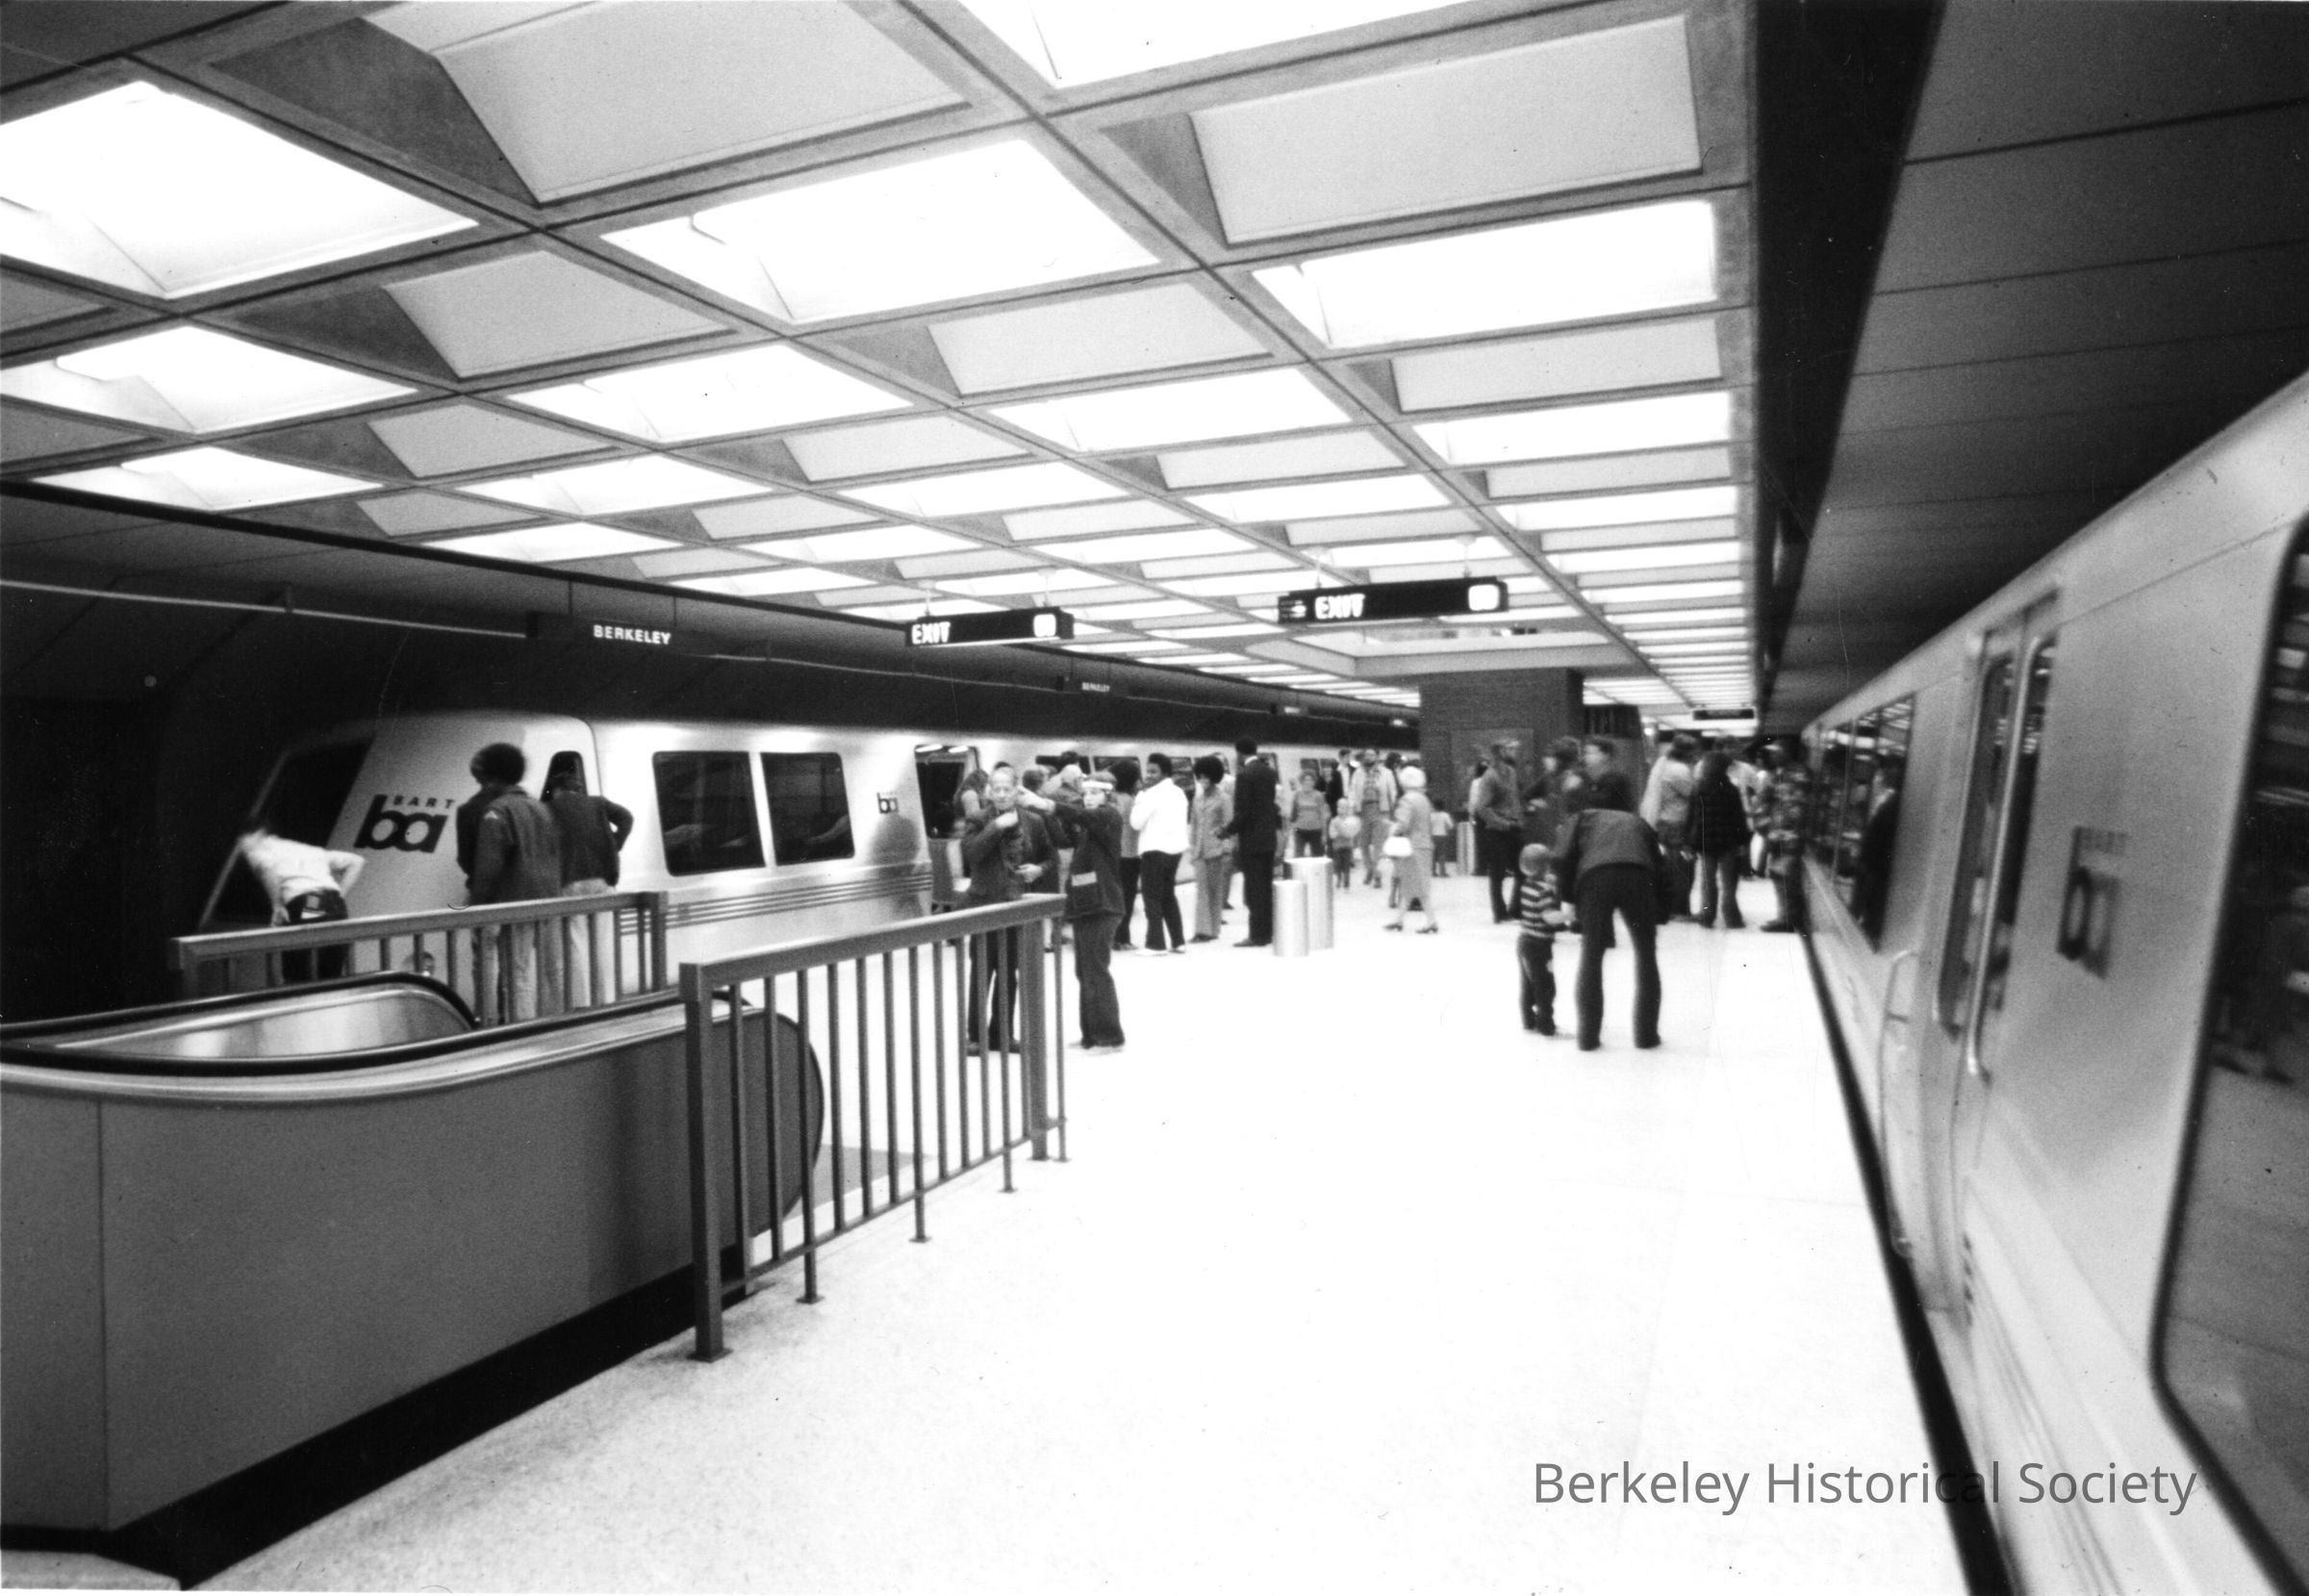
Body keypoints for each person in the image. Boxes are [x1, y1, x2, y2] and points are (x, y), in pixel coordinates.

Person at [1554, 776, 1663, 1051]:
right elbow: (1660, 866)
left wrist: (1568, 898)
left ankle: (1588, 1038)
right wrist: (1660, 911)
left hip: (1595, 879)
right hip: (1638, 877)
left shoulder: (1581, 818)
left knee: (1591, 955)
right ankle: (1646, 1036)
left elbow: (1562, 859)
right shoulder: (1638, 822)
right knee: (1646, 955)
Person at [1020, 773, 1126, 1052]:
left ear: (1108, 795)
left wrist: (1047, 804)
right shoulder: (1089, 827)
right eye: (1086, 793)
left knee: (1095, 971)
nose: (1088, 797)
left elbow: (1081, 815)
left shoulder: (1109, 816)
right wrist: (1044, 813)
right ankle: (1091, 1035)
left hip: (1103, 905)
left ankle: (1110, 1037)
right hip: (1086, 905)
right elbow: (1063, 838)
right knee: (1084, 970)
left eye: (1095, 792)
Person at [461, 742, 566, 1022]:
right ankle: (560, 1022)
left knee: (516, 974)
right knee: (552, 969)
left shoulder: (497, 811)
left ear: (492, 777)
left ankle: (520, 1030)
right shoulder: (541, 808)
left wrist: (478, 906)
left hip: (515, 901)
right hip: (550, 899)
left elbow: (488, 867)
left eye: (482, 779)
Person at [959, 768, 1047, 1047]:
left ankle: (1002, 1034)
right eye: (995, 789)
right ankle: (975, 1035)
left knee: (1009, 972)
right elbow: (971, 855)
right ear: (988, 791)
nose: (1000, 794)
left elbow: (1050, 857)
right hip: (984, 905)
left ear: (1016, 791)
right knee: (982, 971)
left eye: (1006, 789)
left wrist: (1039, 869)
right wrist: (996, 827)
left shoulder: (1033, 821)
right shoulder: (978, 819)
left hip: (1016, 905)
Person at [542, 754, 634, 1006]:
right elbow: (627, 818)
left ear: (557, 790)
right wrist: (615, 844)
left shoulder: (550, 809)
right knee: (602, 943)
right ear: (578, 789)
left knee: (576, 943)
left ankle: (582, 1002)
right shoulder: (598, 803)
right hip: (602, 880)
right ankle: (606, 999)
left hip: (571, 881)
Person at [237, 823, 365, 982]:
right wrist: (340, 894)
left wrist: (277, 905)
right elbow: (357, 861)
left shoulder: (258, 850)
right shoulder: (304, 849)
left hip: (311, 901)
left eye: (241, 841)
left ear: (256, 835)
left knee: (299, 965)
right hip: (335, 905)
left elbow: (268, 870)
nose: (241, 847)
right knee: (330, 969)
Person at [1223, 736, 1279, 948]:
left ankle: (1256, 936)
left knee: (1254, 890)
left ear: (1239, 753)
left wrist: (1227, 831)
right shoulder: (1269, 772)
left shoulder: (1244, 775)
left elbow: (1243, 811)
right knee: (1265, 887)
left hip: (1252, 840)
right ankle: (1269, 932)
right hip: (1268, 838)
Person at [1687, 749, 1752, 929]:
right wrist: (1743, 841)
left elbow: (1691, 817)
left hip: (1705, 841)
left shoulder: (1698, 788)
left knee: (1707, 881)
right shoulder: (1731, 789)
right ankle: (1732, 918)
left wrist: (1689, 842)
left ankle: (1707, 916)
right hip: (1728, 842)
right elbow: (1738, 818)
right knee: (1729, 882)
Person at [1132, 752, 1189, 955]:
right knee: (1168, 896)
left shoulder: (1150, 795)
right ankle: (1178, 941)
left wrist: (1139, 799)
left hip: (1155, 851)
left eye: (1153, 771)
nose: (1148, 775)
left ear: (1165, 773)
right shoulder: (1179, 792)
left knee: (1152, 898)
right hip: (1175, 852)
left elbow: (1135, 822)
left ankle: (1155, 944)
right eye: (1147, 771)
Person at [1639, 734, 1699, 922]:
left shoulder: (1663, 764)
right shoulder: (1678, 770)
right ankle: (1679, 910)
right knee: (1682, 868)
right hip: (1677, 824)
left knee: (1671, 867)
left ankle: (1672, 907)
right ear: (1688, 752)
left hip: (1664, 823)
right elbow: (1694, 794)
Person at [1759, 737, 1814, 932]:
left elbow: (1795, 809)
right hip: (1778, 835)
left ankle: (1789, 920)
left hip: (1790, 837)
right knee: (1778, 875)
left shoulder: (1799, 775)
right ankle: (1784, 916)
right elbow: (1767, 799)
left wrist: (1773, 830)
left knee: (1786, 878)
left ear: (1788, 753)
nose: (1773, 755)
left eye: (1777, 752)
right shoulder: (1778, 774)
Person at [1382, 765, 1440, 934]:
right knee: (1412, 884)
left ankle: (1431, 921)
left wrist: (1392, 828)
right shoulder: (1424, 799)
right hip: (1425, 844)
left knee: (1417, 886)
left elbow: (1403, 824)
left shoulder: (1407, 800)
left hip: (1412, 847)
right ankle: (1399, 920)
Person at [1515, 843, 1565, 1035]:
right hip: (1540, 946)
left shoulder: (1526, 884)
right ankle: (1546, 1025)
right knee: (1545, 986)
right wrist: (1568, 915)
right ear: (1546, 866)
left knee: (1528, 984)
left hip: (1524, 941)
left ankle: (1528, 1020)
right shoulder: (1544, 890)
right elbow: (1548, 916)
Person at [1473, 744, 1525, 923]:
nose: (1513, 752)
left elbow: (1514, 799)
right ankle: (1499, 912)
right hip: (1496, 830)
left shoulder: (1511, 772)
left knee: (1522, 870)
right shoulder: (1489, 776)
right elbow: (1482, 807)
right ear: (1499, 754)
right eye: (1509, 750)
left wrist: (1518, 820)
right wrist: (1502, 823)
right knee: (1498, 873)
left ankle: (1516, 909)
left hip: (1513, 826)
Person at [1188, 755, 1233, 943]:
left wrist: (1226, 848)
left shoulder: (1224, 798)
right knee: (1202, 891)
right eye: (1199, 776)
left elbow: (1229, 825)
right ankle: (1203, 931)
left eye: (1206, 777)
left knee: (1215, 891)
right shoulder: (1197, 798)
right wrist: (1192, 849)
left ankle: (1213, 929)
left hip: (1216, 850)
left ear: (1214, 777)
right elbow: (1194, 825)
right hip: (1200, 851)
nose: (1202, 780)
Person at [1109, 758, 1142, 950]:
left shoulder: (1111, 799)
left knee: (1114, 897)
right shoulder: (1132, 801)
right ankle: (1122, 939)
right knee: (1127, 899)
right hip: (1130, 856)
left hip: (1113, 854)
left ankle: (1114, 937)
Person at [1350, 749, 1397, 886]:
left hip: (1380, 809)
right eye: (1366, 755)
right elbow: (1352, 791)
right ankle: (1370, 868)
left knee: (1378, 844)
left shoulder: (1386, 773)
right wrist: (1352, 807)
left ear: (1377, 757)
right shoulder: (1358, 773)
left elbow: (1393, 791)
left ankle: (1376, 874)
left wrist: (1392, 808)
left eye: (1371, 755)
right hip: (1362, 810)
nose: (1368, 757)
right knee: (1363, 844)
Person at [1580, 736, 1637, 816]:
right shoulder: (1591, 779)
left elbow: (1600, 804)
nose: (1586, 757)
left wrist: (1578, 788)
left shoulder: (1616, 780)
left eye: (1591, 753)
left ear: (1605, 756)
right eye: (1585, 753)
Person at [1289, 771, 1328, 858]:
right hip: (1299, 830)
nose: (1308, 782)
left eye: (1311, 780)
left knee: (1317, 857)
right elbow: (1293, 814)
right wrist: (1292, 830)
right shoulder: (1297, 795)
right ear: (1302, 781)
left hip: (1316, 830)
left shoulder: (1318, 795)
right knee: (1298, 856)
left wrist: (1324, 834)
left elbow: (1322, 815)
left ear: (1314, 782)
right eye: (1306, 780)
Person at [1327, 798, 1359, 890]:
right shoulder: (1334, 821)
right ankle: (1338, 879)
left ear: (1347, 809)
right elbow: (1331, 834)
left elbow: (1351, 832)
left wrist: (1345, 831)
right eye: (1339, 807)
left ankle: (1346, 884)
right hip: (1337, 847)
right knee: (1337, 865)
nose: (1340, 809)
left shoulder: (1350, 821)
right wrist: (1338, 833)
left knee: (1346, 866)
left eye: (1343, 807)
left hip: (1347, 847)